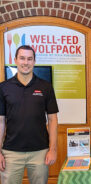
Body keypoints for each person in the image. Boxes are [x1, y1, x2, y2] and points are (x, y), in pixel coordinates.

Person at [0, 45, 59, 184]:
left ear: (34, 61)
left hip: (40, 152)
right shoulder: (3, 88)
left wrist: (53, 149)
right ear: (15, 60)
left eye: (29, 59)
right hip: (11, 152)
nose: (25, 62)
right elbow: (1, 122)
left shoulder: (46, 87)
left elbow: (52, 119)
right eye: (22, 58)